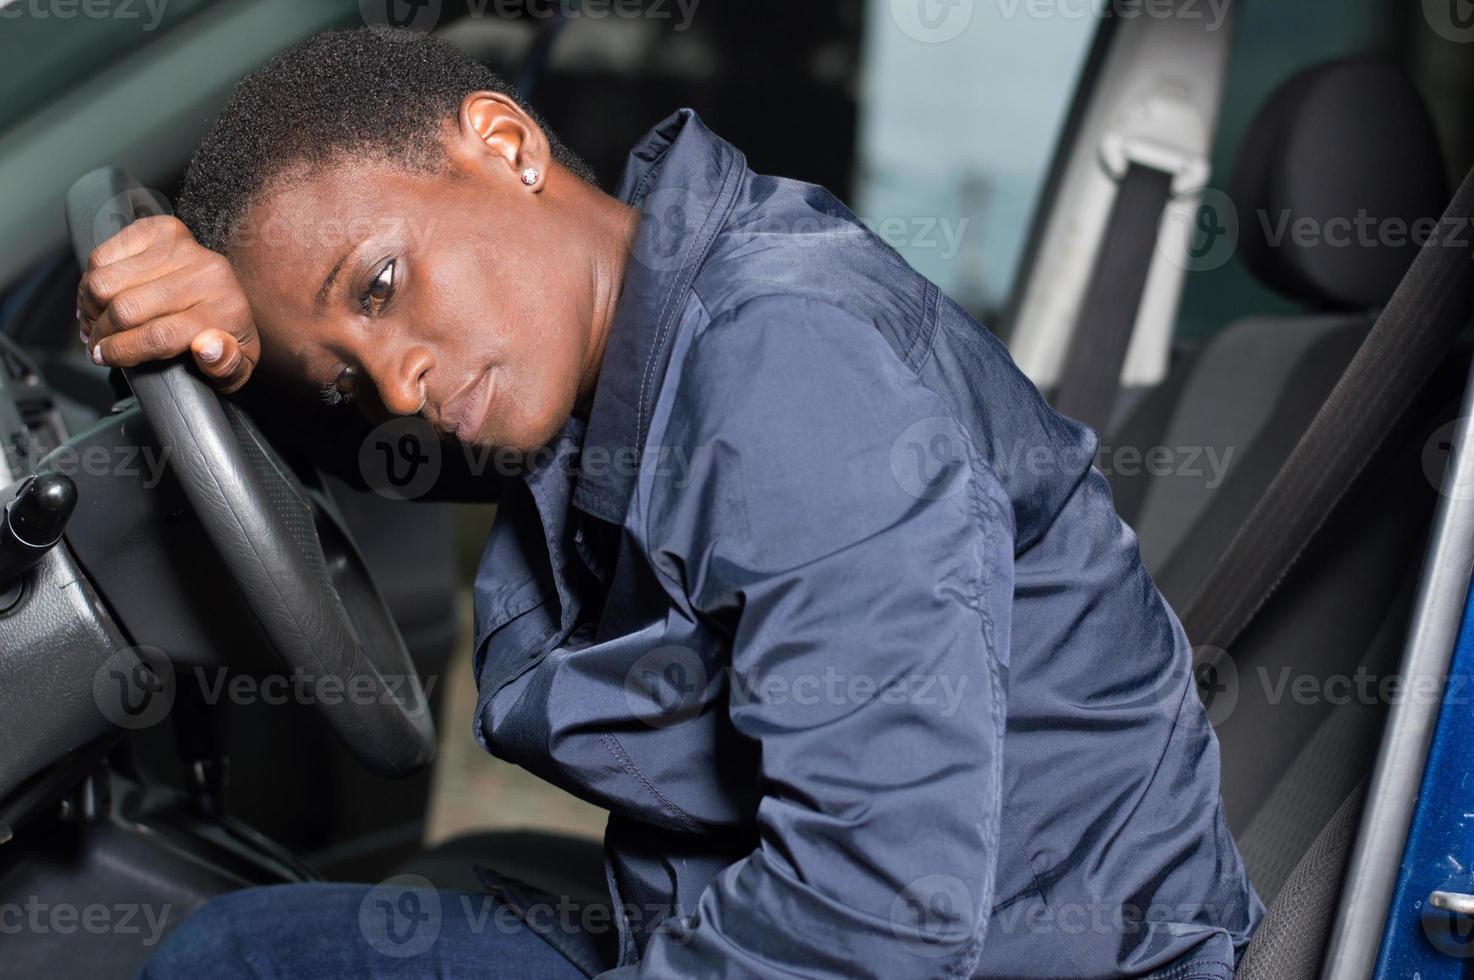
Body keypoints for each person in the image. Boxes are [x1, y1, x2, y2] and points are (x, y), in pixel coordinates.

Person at [83, 26, 1261, 980]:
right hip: (740, 914)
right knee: (233, 951)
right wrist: (238, 369)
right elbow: (421, 450)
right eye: (348, 368)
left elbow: (880, 915)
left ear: (503, 143)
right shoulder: (627, 329)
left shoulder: (792, 369)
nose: (397, 384)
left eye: (383, 286)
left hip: (985, 948)